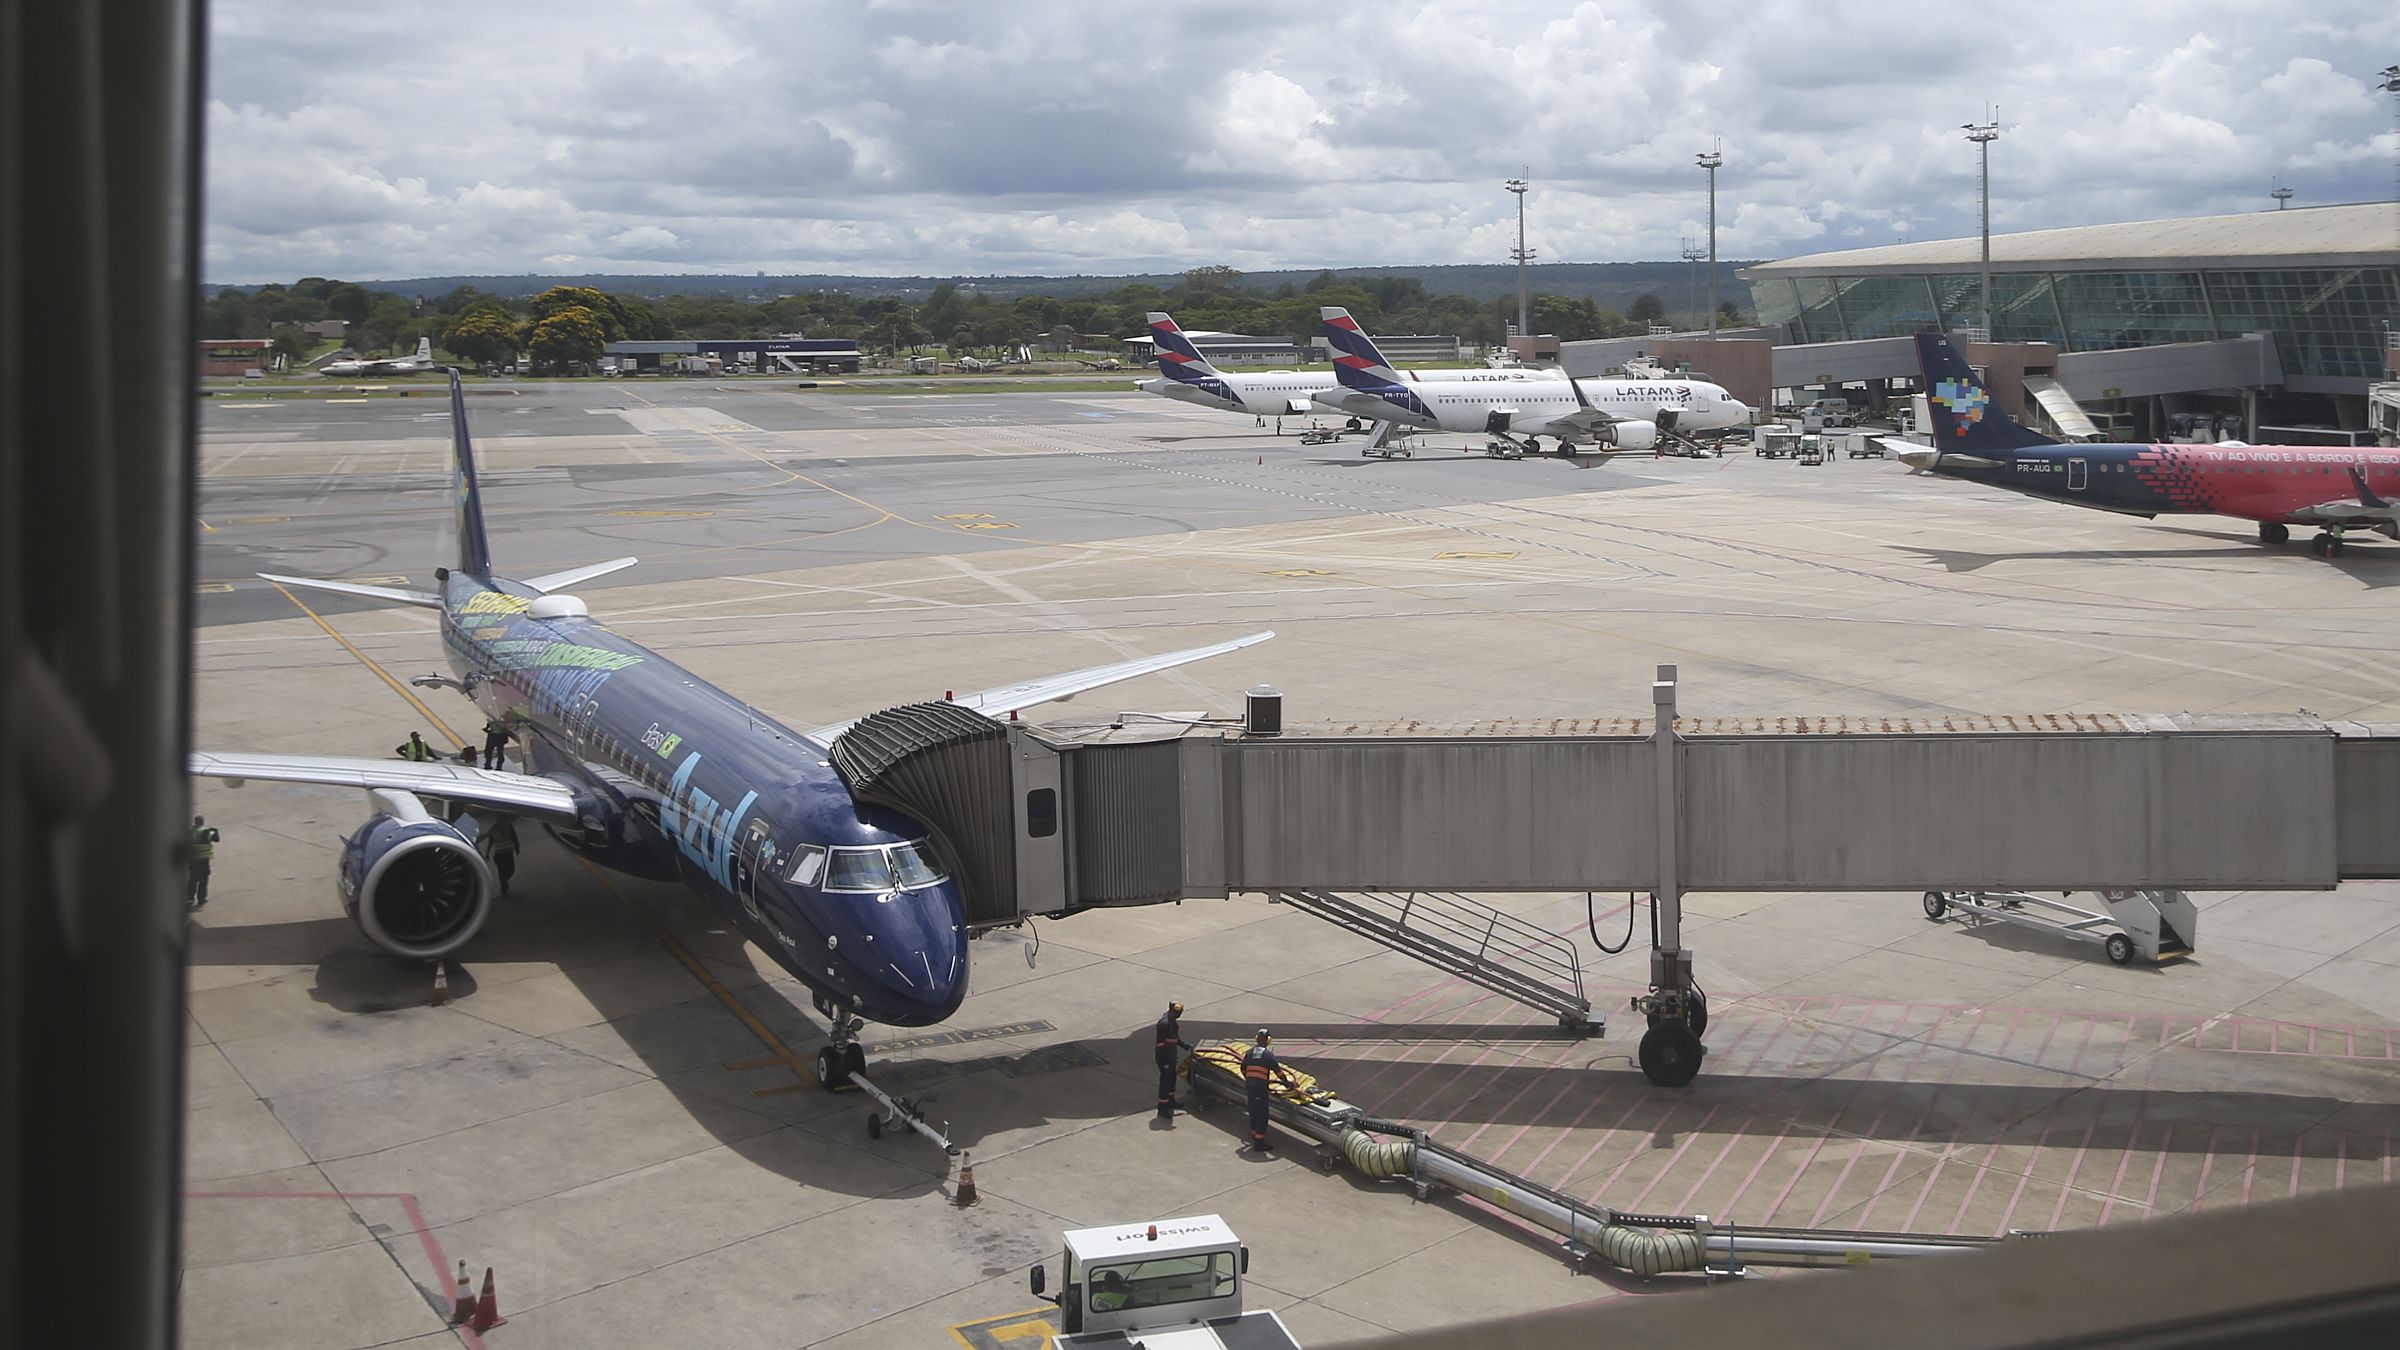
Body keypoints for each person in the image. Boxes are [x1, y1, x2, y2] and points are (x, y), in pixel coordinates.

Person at [1240, 1029, 1301, 1153]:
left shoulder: (1249, 1052)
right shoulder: (1268, 1055)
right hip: (1260, 1089)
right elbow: (1279, 1073)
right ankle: (1259, 1143)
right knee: (1262, 1115)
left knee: (1253, 1111)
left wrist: (1251, 1079)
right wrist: (1288, 1084)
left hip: (1250, 1087)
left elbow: (1243, 1069)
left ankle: (1254, 1134)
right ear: (1268, 1040)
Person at [1153, 1000, 1186, 1120]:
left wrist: (1183, 1045)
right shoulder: (1164, 1023)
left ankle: (1171, 1101)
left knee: (1172, 1080)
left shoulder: (1173, 1022)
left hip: (1172, 1057)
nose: (1179, 1014)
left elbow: (1175, 1037)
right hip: (1164, 1057)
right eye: (1178, 1012)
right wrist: (1167, 1060)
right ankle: (1162, 1108)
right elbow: (1161, 1043)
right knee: (1165, 1082)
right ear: (1172, 1010)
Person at [480, 814, 520, 897]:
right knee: (502, 872)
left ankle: (504, 882)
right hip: (500, 854)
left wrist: (517, 848)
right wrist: (487, 853)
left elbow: (514, 837)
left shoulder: (508, 826)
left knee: (511, 869)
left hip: (508, 852)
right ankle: (504, 888)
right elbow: (490, 841)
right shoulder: (494, 828)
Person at [187, 815, 220, 911]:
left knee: (192, 880)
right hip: (204, 860)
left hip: (193, 860)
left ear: (195, 822)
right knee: (203, 880)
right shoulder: (207, 832)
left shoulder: (189, 832)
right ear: (202, 822)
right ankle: (201, 899)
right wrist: (215, 830)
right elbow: (217, 839)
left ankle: (190, 899)